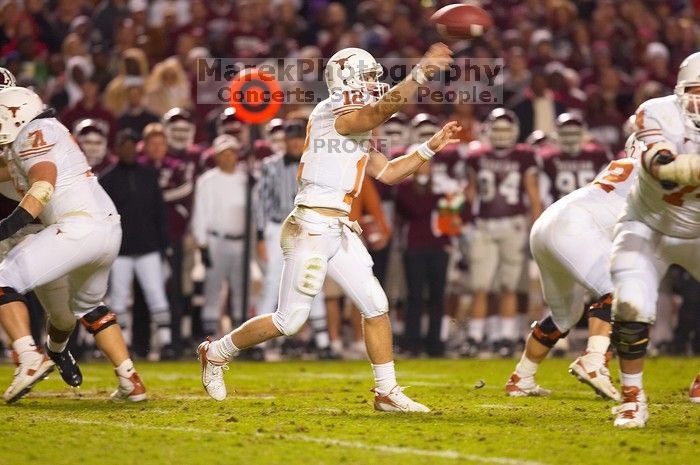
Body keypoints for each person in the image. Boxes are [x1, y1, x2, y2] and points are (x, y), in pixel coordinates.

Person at [198, 44, 457, 412]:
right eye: (368, 77)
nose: (373, 84)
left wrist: (429, 148)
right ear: (347, 78)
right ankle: (217, 352)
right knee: (290, 321)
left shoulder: (359, 123)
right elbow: (377, 113)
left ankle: (386, 392)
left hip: (338, 227)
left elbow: (388, 172)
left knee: (376, 305)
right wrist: (418, 74)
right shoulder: (330, 111)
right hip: (311, 226)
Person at [0, 86, 145, 403]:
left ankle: (28, 356)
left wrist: (7, 226)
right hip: (107, 230)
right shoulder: (45, 128)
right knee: (89, 307)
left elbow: (42, 183)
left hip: (76, 227)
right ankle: (130, 380)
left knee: (2, 278)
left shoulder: (33, 132)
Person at [505, 138, 642, 400]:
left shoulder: (620, 167)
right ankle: (594, 359)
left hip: (548, 223)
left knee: (564, 316)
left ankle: (521, 378)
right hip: (573, 227)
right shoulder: (651, 171)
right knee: (622, 289)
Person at [608, 52, 700, 427]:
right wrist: (680, 165)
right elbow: (658, 164)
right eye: (698, 90)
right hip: (648, 224)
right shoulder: (657, 111)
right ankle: (632, 398)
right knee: (630, 304)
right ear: (680, 92)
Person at [464, 109, 543, 356]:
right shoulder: (477, 155)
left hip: (514, 224)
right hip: (485, 224)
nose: (500, 135)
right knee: (480, 285)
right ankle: (475, 336)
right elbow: (471, 191)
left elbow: (532, 193)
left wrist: (536, 224)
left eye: (505, 130)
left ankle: (506, 336)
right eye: (496, 129)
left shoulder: (524, 155)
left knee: (509, 285)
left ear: (515, 132)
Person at [254, 120, 331, 358]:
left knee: (312, 281)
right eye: (292, 138)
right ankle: (257, 344)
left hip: (308, 228)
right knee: (271, 284)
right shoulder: (271, 165)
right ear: (285, 141)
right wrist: (259, 235)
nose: (296, 142)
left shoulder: (316, 164)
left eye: (300, 138)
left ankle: (323, 341)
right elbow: (261, 203)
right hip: (278, 227)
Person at [100, 128, 174, 360]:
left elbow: (159, 212)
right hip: (120, 249)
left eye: (132, 145)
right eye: (124, 145)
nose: (129, 149)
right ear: (117, 148)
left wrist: (164, 245)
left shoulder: (148, 174)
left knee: (156, 294)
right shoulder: (107, 178)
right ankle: (124, 344)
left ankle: (166, 343)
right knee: (119, 298)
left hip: (148, 247)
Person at [191, 134, 247, 336]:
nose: (228, 157)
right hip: (216, 241)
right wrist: (203, 244)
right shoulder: (207, 180)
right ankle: (210, 339)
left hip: (241, 242)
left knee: (241, 292)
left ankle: (240, 338)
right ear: (216, 156)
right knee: (212, 291)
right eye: (224, 153)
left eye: (232, 152)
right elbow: (200, 213)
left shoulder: (245, 180)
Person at [538, 113, 611, 206]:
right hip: (561, 212)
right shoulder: (548, 159)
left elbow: (608, 190)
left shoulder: (598, 155)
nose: (571, 138)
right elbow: (541, 196)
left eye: (575, 133)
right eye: (566, 134)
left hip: (591, 211)